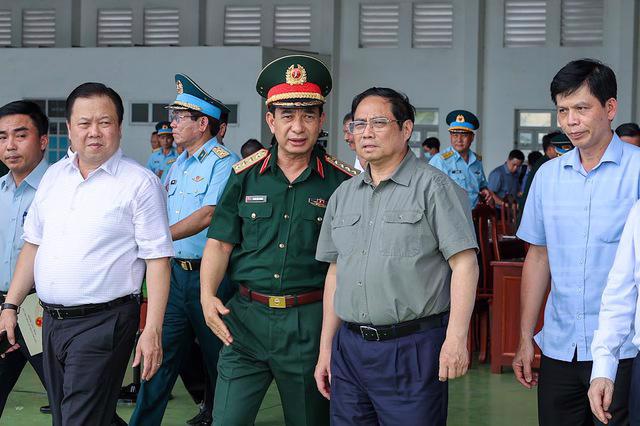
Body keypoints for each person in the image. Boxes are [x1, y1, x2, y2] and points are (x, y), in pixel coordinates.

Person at [0, 82, 173, 426]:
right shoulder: (54, 178)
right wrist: (11, 305)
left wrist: (152, 330)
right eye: (84, 123)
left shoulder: (139, 183)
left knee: (78, 419)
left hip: (104, 321)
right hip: (50, 321)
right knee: (72, 415)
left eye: (104, 122)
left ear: (119, 128)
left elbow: (157, 261)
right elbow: (32, 245)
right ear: (70, 129)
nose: (94, 132)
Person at [200, 54, 356, 425]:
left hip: (309, 326)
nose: (297, 127)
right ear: (271, 120)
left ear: (321, 121)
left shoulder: (341, 183)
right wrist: (206, 295)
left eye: (308, 115)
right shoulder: (244, 176)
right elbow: (220, 243)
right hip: (245, 323)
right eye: (287, 116)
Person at [314, 87, 479, 425]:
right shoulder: (343, 195)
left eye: (378, 122)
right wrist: (326, 349)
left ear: (406, 130)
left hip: (412, 350)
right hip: (350, 349)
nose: (367, 133)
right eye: (359, 124)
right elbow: (335, 272)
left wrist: (456, 338)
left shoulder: (435, 187)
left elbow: (465, 264)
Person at [513, 58, 640, 425]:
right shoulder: (547, 177)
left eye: (581, 108)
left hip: (623, 350)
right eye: (563, 110)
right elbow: (538, 258)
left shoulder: (636, 171)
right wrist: (525, 337)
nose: (571, 121)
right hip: (559, 348)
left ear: (610, 108)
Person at [130, 74, 240, 426]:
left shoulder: (224, 161)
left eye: (180, 118)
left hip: (211, 280)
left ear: (202, 123)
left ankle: (218, 416)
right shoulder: (178, 164)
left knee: (220, 361)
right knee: (156, 354)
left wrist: (157, 238)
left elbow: (209, 214)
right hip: (174, 277)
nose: (172, 124)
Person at [0, 100, 50, 416]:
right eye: (2, 137)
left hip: (42, 311)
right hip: (2, 310)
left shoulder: (60, 189)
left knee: (72, 405)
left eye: (20, 135)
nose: (10, 145)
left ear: (43, 141)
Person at [429, 110, 494, 208]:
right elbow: (428, 191)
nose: (459, 140)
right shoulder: (440, 160)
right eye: (455, 135)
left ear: (472, 137)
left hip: (473, 217)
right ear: (450, 136)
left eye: (464, 135)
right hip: (450, 217)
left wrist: (485, 191)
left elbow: (481, 186)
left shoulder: (476, 161)